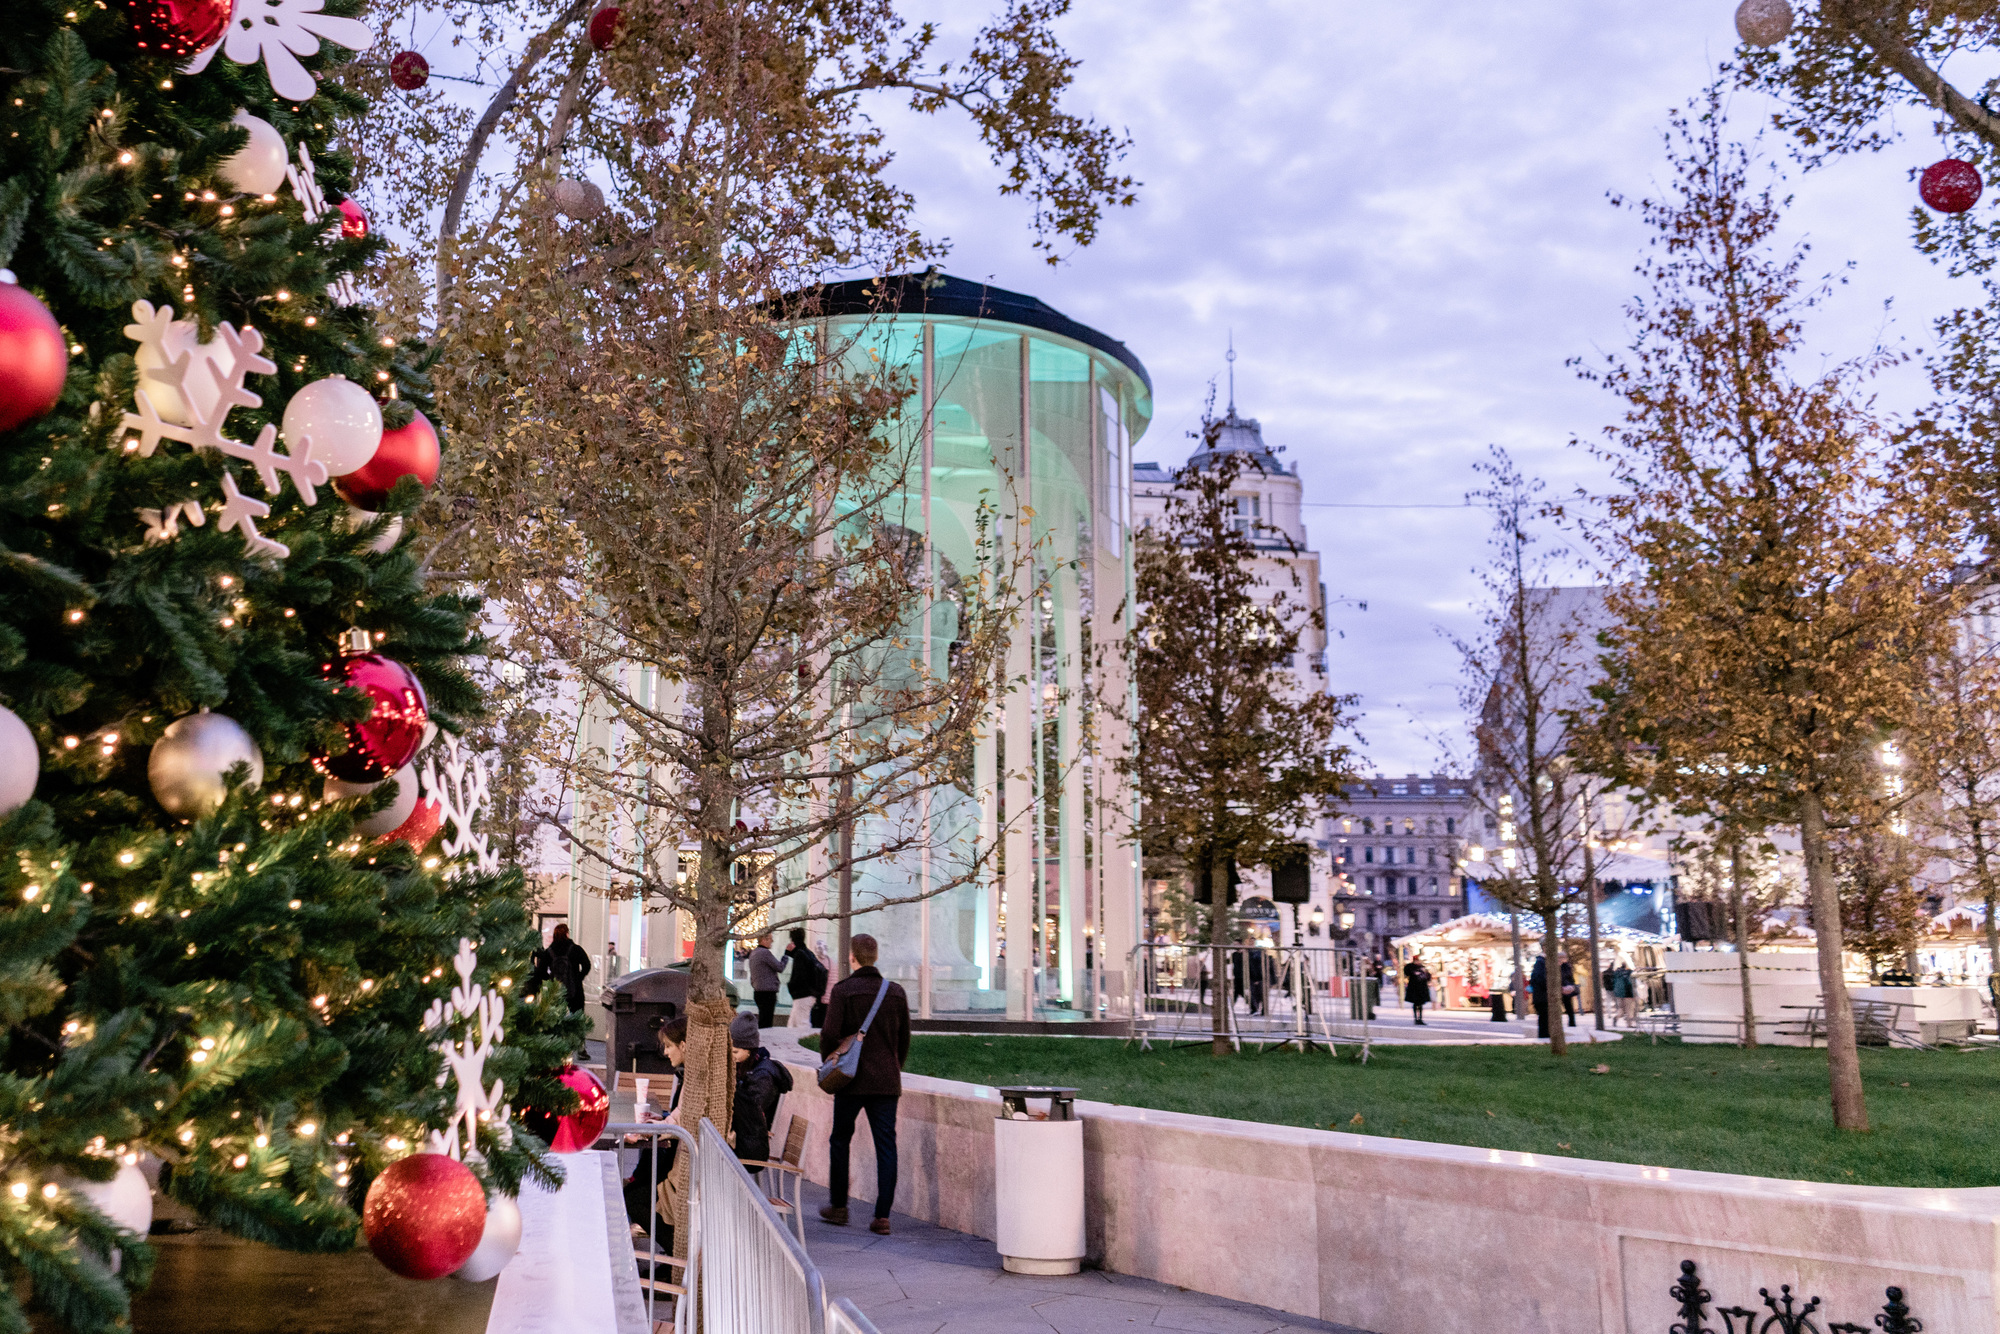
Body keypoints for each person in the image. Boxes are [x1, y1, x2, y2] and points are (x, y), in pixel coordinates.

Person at [817, 933, 909, 1236]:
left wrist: (830, 1060)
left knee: (840, 1139)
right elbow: (904, 1038)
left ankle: (839, 1207)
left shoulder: (844, 990)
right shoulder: (895, 992)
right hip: (886, 1080)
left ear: (852, 957)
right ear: (876, 956)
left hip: (849, 1079)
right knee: (887, 1145)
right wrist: (895, 1067)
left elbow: (829, 1033)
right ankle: (882, 1216)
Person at [622, 1016, 686, 1238]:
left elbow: (682, 1119)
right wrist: (661, 1121)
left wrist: (656, 1127)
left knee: (634, 1197)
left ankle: (675, 1256)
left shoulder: (692, 1081)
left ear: (684, 1046)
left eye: (669, 1046)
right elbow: (680, 1117)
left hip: (686, 1175)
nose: (666, 1052)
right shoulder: (688, 1076)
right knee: (637, 1190)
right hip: (680, 1167)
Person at [730, 1011, 793, 1172]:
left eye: (735, 1052)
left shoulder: (764, 1076)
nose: (731, 1056)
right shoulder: (746, 1067)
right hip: (745, 1138)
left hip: (751, 1147)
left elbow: (750, 1112)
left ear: (749, 1050)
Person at [529, 923, 592, 1017]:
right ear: (567, 934)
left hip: (555, 991)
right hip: (575, 991)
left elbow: (541, 971)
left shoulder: (549, 952)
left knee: (555, 1018)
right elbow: (587, 965)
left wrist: (550, 979)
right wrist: (578, 977)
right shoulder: (576, 949)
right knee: (576, 1020)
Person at [784, 928, 826, 1030]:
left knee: (801, 1024)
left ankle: (803, 1043)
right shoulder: (808, 953)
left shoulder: (800, 954)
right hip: (809, 994)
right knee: (792, 1023)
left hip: (802, 994)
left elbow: (799, 975)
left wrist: (791, 986)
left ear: (792, 939)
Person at [747, 933, 783, 1029]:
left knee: (763, 1020)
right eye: (770, 939)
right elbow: (780, 967)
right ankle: (764, 1041)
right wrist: (786, 956)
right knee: (766, 1022)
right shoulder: (765, 953)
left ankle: (761, 1039)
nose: (772, 941)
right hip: (767, 992)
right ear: (764, 939)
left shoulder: (753, 953)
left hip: (758, 991)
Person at [1403, 951, 1433, 1026]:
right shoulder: (1410, 967)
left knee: (1421, 1004)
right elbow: (1407, 973)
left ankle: (1420, 1018)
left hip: (1422, 989)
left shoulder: (1422, 967)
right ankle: (1416, 1018)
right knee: (1416, 1004)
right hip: (1414, 988)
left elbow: (1428, 976)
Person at [1529, 952, 1550, 1039]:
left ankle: (1544, 1035)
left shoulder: (1538, 965)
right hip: (1542, 996)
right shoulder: (1541, 964)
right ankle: (1544, 1036)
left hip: (1539, 996)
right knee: (1544, 1018)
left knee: (1543, 1018)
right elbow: (1541, 980)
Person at [1560, 958, 1579, 1028]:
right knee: (1568, 1006)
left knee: (1568, 1005)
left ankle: (1572, 1022)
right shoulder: (1567, 967)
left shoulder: (1565, 967)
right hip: (1565, 988)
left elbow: (1567, 977)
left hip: (1564, 988)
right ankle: (1571, 1022)